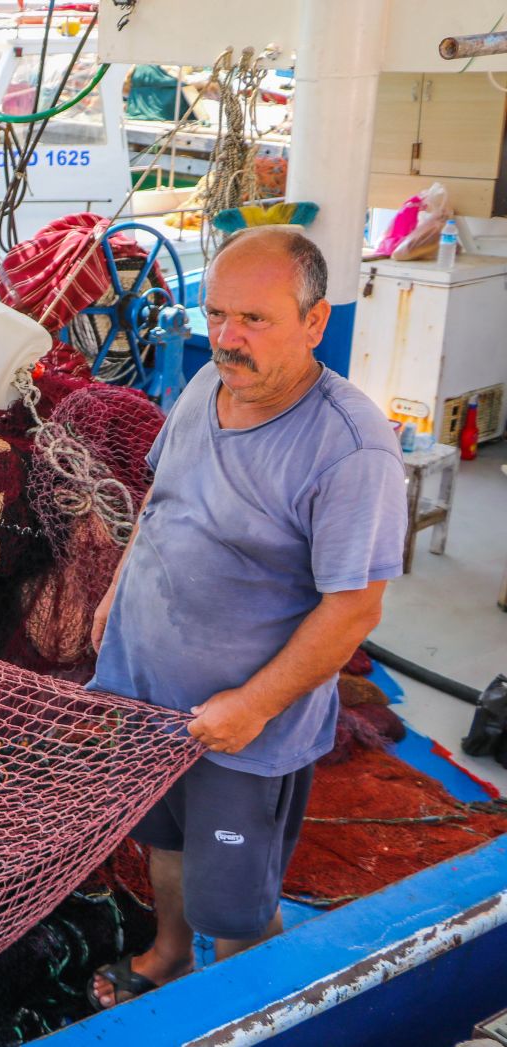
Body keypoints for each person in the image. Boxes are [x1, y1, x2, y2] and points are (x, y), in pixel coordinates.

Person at [86, 226, 407, 1009]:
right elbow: (162, 503)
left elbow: (356, 606)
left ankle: (242, 1012)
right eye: (217, 313)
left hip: (244, 730)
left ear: (315, 321)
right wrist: (114, 595)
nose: (227, 339)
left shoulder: (350, 447)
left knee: (232, 903)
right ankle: (167, 955)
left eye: (255, 320)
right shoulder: (205, 387)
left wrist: (252, 707)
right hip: (147, 695)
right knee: (161, 840)